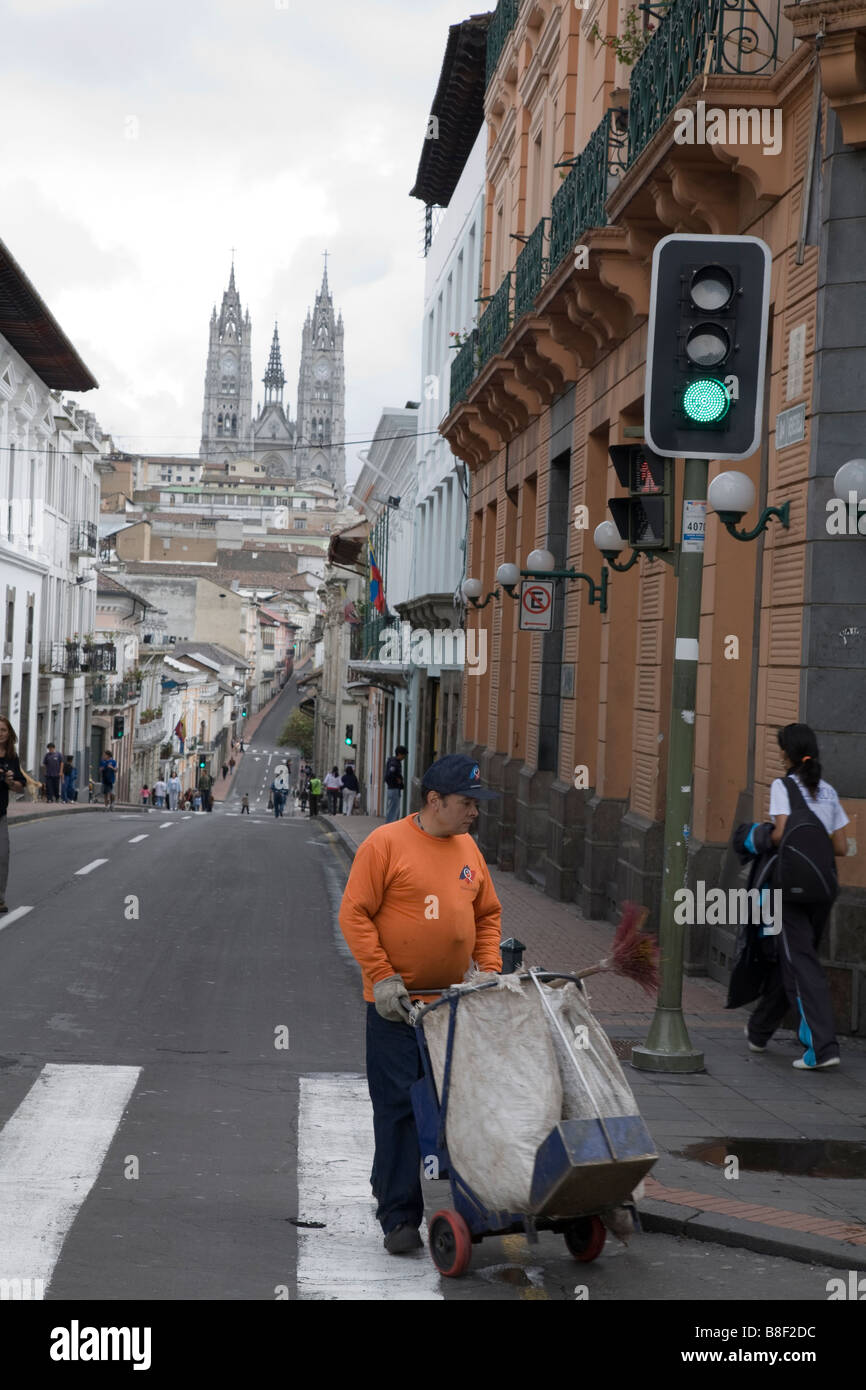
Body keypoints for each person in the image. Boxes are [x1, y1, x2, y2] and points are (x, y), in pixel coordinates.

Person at [339, 754, 501, 1253]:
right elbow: (355, 914)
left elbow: (488, 914)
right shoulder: (385, 844)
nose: (475, 812)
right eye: (467, 803)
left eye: (477, 803)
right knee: (398, 1109)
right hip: (396, 1009)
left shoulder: (469, 849)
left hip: (451, 1009)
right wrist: (384, 977)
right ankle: (399, 1217)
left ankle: (465, 1204)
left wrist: (490, 970)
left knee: (456, 1109)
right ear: (435, 801)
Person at [747, 724, 849, 1070]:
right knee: (795, 955)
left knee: (800, 961)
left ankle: (821, 1047)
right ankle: (759, 1030)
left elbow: (779, 834)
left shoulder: (783, 787)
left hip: (789, 889)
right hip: (824, 888)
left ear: (787, 754)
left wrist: (757, 835)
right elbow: (840, 847)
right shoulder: (829, 792)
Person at [0, 718, 27, 913]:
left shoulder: (12, 757)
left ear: (9, 733)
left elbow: (20, 787)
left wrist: (9, 782)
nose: (0, 733)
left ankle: (0, 899)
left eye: (3, 730)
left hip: (0, 813)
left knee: (2, 856)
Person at [384, 745, 407, 823]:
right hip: (394, 788)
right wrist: (397, 779)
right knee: (393, 810)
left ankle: (391, 825)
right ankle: (390, 826)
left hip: (392, 788)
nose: (404, 757)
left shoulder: (392, 761)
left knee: (393, 809)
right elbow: (390, 774)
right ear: (400, 754)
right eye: (404, 755)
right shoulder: (394, 763)